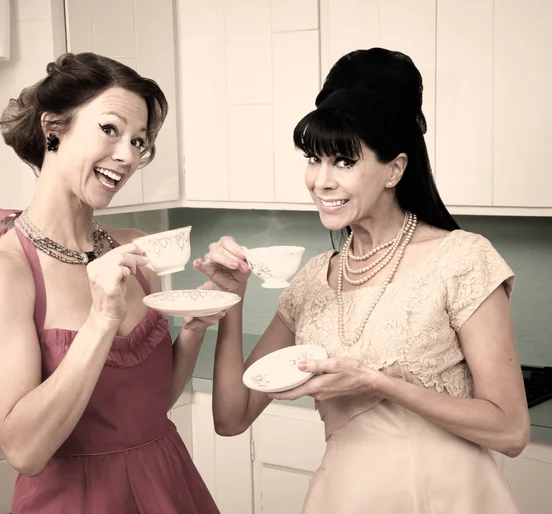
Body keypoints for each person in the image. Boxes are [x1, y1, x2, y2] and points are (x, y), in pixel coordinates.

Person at [195, 48, 530, 513]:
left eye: (344, 162)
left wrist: (379, 384)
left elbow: (511, 431)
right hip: (346, 496)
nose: (321, 181)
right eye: (314, 159)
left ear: (395, 168)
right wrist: (230, 302)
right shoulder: (313, 281)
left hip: (451, 496)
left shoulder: (462, 258)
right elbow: (231, 419)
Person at [0, 52, 221, 513]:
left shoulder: (137, 248)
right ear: (53, 128)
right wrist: (102, 319)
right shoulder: (3, 274)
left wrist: (197, 323)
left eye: (139, 142)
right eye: (110, 129)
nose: (127, 155)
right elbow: (25, 451)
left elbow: (151, 403)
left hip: (168, 483)